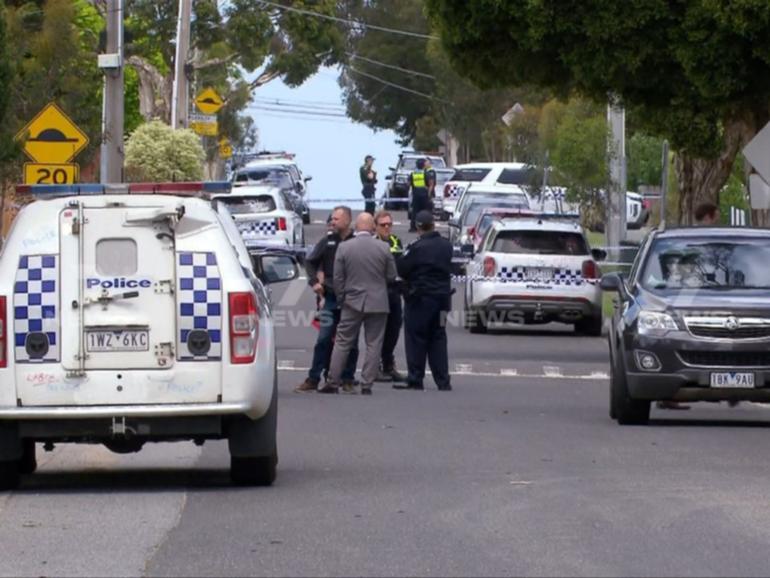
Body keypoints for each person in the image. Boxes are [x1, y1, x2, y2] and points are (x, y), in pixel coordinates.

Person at [322, 213, 397, 395]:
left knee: (342, 341)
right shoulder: (383, 248)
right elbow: (391, 275)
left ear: (356, 226)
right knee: (374, 343)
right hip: (378, 301)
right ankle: (367, 384)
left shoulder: (345, 247)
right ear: (372, 227)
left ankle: (333, 381)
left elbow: (338, 277)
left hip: (352, 301)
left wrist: (341, 298)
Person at [295, 206, 359, 393]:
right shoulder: (328, 241)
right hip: (330, 298)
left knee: (351, 342)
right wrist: (314, 282)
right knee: (323, 339)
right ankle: (314, 378)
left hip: (351, 299)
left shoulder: (356, 241)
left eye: (337, 219)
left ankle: (347, 379)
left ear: (347, 220)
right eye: (332, 219)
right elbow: (310, 261)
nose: (332, 222)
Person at [395, 210, 453, 391]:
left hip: (421, 300)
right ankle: (443, 380)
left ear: (419, 227)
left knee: (416, 338)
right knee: (439, 337)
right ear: (434, 225)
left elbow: (402, 268)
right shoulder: (446, 245)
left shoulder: (417, 247)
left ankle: (415, 378)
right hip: (443, 300)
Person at [373, 210, 406, 382]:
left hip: (394, 292)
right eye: (383, 225)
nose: (387, 228)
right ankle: (375, 366)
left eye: (389, 224)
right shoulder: (372, 242)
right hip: (377, 292)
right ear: (375, 226)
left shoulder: (396, 241)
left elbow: (401, 264)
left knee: (393, 330)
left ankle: (388, 364)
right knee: (378, 332)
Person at [408, 158, 433, 232]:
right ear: (423, 165)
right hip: (424, 195)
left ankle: (413, 227)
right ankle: (426, 226)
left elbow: (408, 183)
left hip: (416, 195)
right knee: (426, 211)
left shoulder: (413, 174)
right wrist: (429, 194)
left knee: (415, 212)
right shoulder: (426, 173)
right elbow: (431, 184)